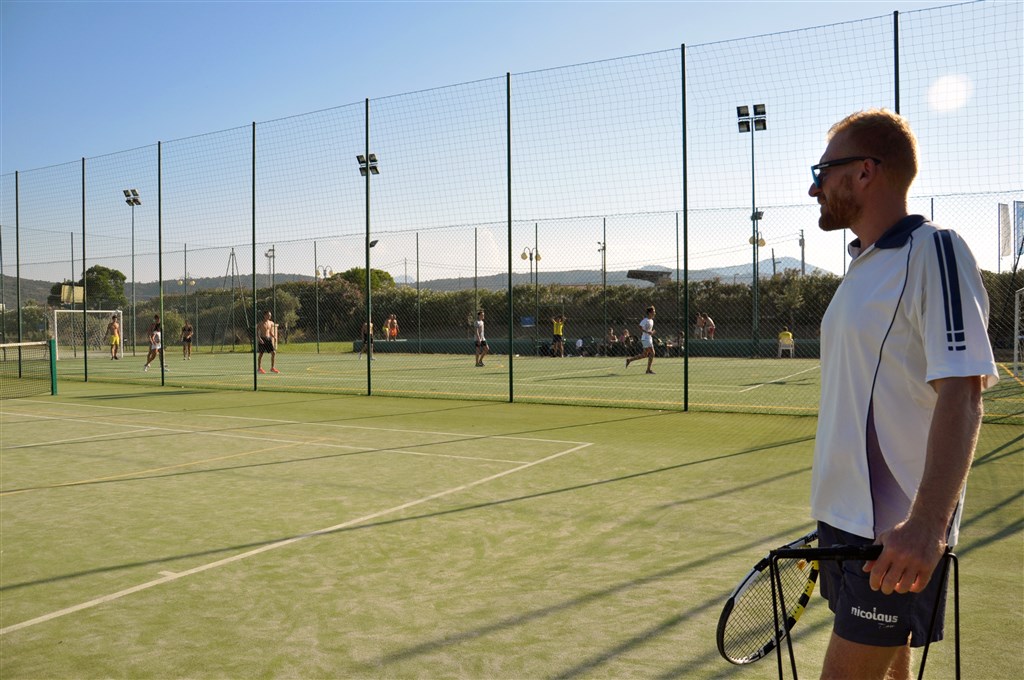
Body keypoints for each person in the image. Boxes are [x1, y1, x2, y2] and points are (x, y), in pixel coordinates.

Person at [807, 109, 997, 680]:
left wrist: (927, 524)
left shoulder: (935, 250)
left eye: (824, 169)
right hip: (849, 526)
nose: (814, 185)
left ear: (866, 172)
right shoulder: (863, 267)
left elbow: (963, 395)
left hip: (898, 531)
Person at [625, 306, 657, 374]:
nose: (654, 313)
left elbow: (649, 331)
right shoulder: (645, 320)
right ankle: (648, 370)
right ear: (649, 313)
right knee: (652, 353)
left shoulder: (652, 320)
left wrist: (652, 332)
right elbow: (640, 327)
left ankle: (630, 360)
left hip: (649, 338)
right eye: (653, 312)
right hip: (645, 339)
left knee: (645, 355)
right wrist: (647, 332)